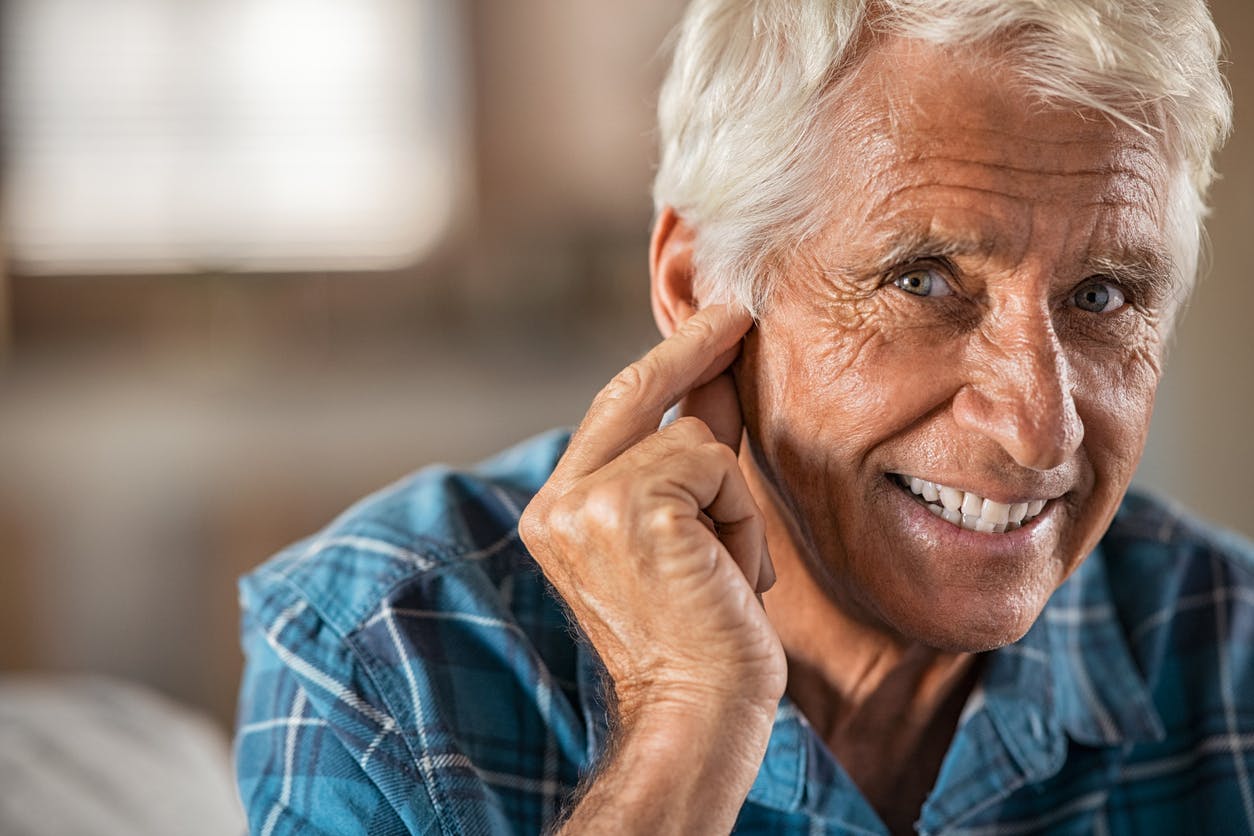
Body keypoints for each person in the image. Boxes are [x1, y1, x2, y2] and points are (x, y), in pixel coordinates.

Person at [234, 1, 1251, 833]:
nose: (1040, 428)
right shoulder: (385, 654)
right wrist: (684, 719)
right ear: (695, 287)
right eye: (924, 278)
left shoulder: (1229, 649)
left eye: (1104, 295)